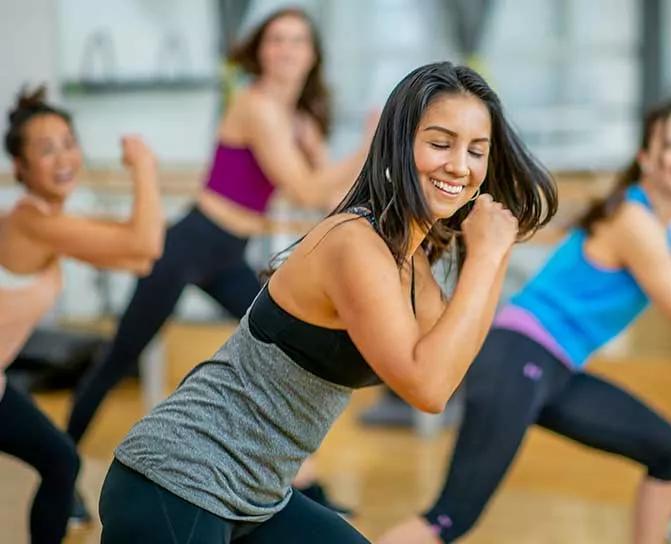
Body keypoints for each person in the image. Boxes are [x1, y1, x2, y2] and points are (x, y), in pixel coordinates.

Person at [97, 61, 558, 543]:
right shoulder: (354, 243)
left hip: (256, 496)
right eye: (441, 143)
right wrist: (485, 257)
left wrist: (497, 252)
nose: (460, 165)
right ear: (399, 145)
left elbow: (451, 360)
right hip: (180, 480)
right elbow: (429, 389)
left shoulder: (411, 259)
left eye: (476, 151)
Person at [378, 100, 671, 544]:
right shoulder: (633, 220)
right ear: (647, 160)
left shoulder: (665, 226)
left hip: (553, 367)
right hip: (518, 356)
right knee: (450, 518)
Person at [65, 6, 375, 514]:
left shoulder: (298, 120)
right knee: (118, 358)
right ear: (261, 51)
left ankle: (308, 488)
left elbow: (327, 194)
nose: (286, 50)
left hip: (230, 256)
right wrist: (367, 146)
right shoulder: (255, 105)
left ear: (312, 55)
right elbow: (302, 186)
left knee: (286, 352)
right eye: (276, 40)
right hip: (188, 245)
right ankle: (63, 469)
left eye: (298, 41)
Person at [0, 86, 164, 543]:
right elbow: (145, 245)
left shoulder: (50, 223)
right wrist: (145, 167)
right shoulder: (29, 223)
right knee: (59, 460)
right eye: (46, 150)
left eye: (68, 143)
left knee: (60, 461)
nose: (63, 157)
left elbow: (139, 259)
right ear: (21, 168)